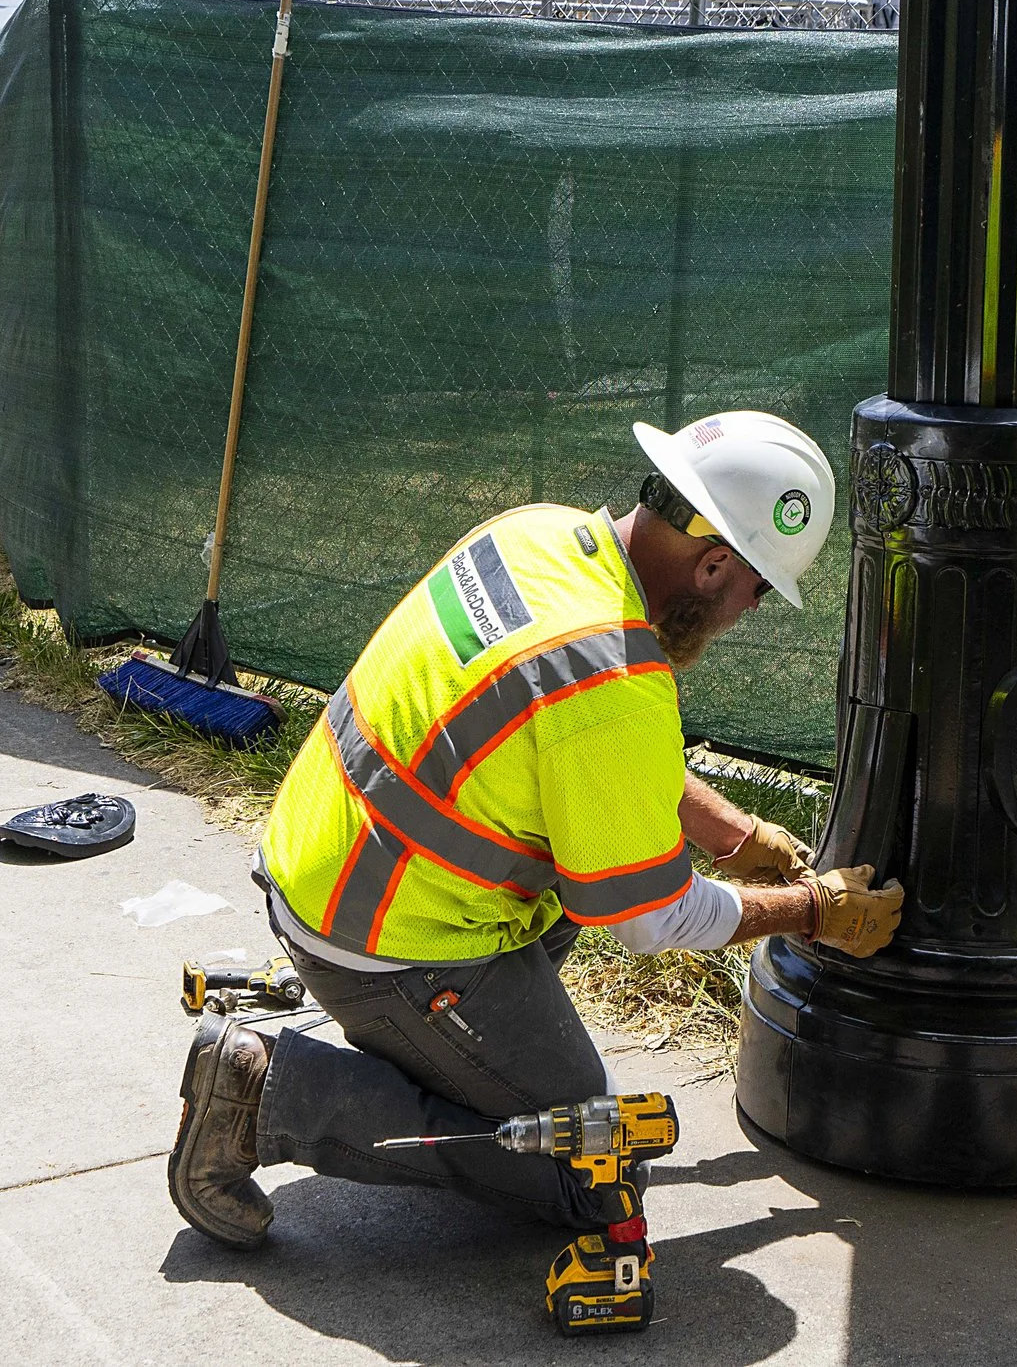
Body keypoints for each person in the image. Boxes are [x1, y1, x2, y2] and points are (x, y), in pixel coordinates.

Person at [168, 410, 905, 1304]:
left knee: (551, 1034)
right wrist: (815, 914)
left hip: (326, 858)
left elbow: (586, 738)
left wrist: (738, 838)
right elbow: (646, 915)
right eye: (758, 592)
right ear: (714, 565)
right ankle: (261, 1091)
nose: (747, 615)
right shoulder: (614, 677)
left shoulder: (541, 536)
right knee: (589, 1171)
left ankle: (428, 1057)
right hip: (382, 935)